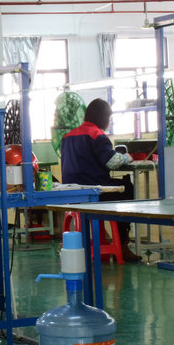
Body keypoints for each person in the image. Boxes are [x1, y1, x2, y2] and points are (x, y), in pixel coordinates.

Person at [60, 98, 141, 262]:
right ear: (103, 117)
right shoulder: (97, 135)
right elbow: (112, 162)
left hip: (71, 192)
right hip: (94, 191)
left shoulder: (67, 136)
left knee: (119, 186)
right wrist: (127, 157)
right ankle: (122, 244)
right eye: (109, 118)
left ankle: (111, 241)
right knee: (127, 187)